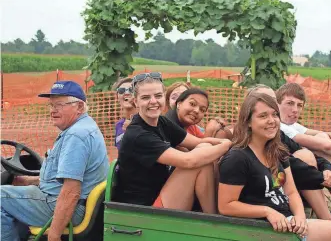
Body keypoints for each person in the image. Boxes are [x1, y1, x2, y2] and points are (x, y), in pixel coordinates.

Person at [218, 93, 331, 241]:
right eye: (263, 116)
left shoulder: (277, 153)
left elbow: (290, 192)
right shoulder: (237, 158)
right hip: (262, 227)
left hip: (289, 222)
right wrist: (267, 211)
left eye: (274, 115)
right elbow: (226, 205)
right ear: (248, 122)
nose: (271, 121)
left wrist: (300, 216)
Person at [1, 81, 109, 241]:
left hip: (67, 207)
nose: (53, 110)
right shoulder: (85, 126)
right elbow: (66, 177)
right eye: (51, 105)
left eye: (59, 105)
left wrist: (54, 234)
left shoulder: (76, 136)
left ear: (79, 107)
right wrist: (30, 180)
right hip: (69, 202)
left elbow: (71, 191)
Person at [113, 72, 232, 214]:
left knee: (203, 149)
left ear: (164, 97)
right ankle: (214, 219)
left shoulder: (162, 122)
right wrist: (225, 146)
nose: (153, 101)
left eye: (157, 96)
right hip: (145, 210)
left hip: (161, 194)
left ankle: (214, 213)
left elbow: (198, 142)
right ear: (135, 102)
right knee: (200, 159)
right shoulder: (137, 135)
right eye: (145, 97)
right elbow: (188, 161)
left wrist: (226, 142)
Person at [247, 84, 331, 221]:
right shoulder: (244, 149)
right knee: (305, 155)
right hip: (267, 196)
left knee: (308, 152)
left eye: (272, 102)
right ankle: (328, 220)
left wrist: (327, 169)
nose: (271, 107)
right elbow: (292, 164)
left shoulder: (278, 133)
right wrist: (323, 179)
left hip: (283, 188)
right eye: (264, 101)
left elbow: (307, 153)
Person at [276, 83, 331, 160]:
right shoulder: (280, 126)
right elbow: (326, 146)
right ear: (277, 104)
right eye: (290, 103)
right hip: (284, 168)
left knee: (322, 136)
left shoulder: (291, 125)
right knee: (317, 147)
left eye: (299, 105)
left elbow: (325, 134)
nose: (295, 110)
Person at [166, 87, 232, 140]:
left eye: (202, 110)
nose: (197, 111)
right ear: (179, 104)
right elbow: (193, 155)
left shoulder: (191, 126)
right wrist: (210, 130)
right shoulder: (168, 126)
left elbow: (201, 141)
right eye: (192, 104)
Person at [112, 77, 137, 150]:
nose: (126, 93)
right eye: (121, 90)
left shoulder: (147, 123)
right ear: (117, 97)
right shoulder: (119, 125)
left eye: (131, 90)